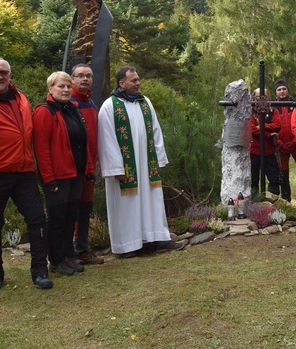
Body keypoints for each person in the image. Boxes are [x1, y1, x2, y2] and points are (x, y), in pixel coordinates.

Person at [0, 57, 52, 291]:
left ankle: (40, 271)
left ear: (10, 75)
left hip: (24, 172)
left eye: (3, 72)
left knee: (38, 220)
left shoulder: (21, 98)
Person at [98, 66, 184, 257]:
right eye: (133, 80)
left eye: (138, 79)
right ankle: (128, 245)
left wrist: (159, 159)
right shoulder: (110, 106)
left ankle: (158, 238)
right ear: (122, 83)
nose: (138, 83)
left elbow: (155, 131)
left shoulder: (145, 103)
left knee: (152, 200)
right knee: (126, 205)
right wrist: (115, 167)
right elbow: (107, 139)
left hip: (147, 165)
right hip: (125, 168)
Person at [33, 72, 90, 276]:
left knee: (70, 217)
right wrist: (49, 179)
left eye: (67, 86)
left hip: (75, 173)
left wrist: (87, 169)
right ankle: (56, 260)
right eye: (60, 86)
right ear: (50, 88)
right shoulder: (44, 112)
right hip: (57, 176)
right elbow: (41, 149)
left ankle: (68, 256)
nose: (65, 90)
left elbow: (83, 143)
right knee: (57, 219)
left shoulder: (72, 110)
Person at [69, 64, 104, 265]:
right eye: (80, 76)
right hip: (73, 168)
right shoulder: (68, 103)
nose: (85, 79)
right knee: (71, 211)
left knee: (85, 209)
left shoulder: (91, 104)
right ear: (72, 79)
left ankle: (82, 250)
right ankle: (68, 252)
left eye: (88, 76)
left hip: (89, 167)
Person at [250, 88, 281, 196]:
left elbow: (277, 126)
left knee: (274, 178)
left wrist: (262, 126)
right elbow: (252, 129)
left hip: (269, 150)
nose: (261, 99)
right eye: (258, 97)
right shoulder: (250, 111)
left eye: (264, 96)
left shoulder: (273, 111)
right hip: (254, 150)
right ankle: (253, 204)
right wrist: (268, 133)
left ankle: (273, 203)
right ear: (254, 98)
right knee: (253, 179)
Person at [273, 80, 296, 202]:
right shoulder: (272, 106)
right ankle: (286, 199)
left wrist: (295, 141)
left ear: (287, 90)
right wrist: (279, 144)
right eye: (279, 90)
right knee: (283, 173)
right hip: (280, 145)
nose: (282, 92)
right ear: (276, 92)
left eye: (284, 89)